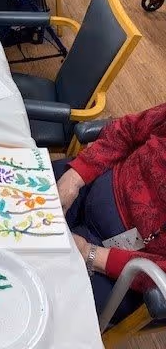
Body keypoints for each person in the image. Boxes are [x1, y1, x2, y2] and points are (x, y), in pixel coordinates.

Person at [53, 103, 166, 323]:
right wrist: (74, 178)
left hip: (122, 264)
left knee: (57, 306)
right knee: (10, 211)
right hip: (92, 184)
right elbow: (127, 130)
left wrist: (90, 253)